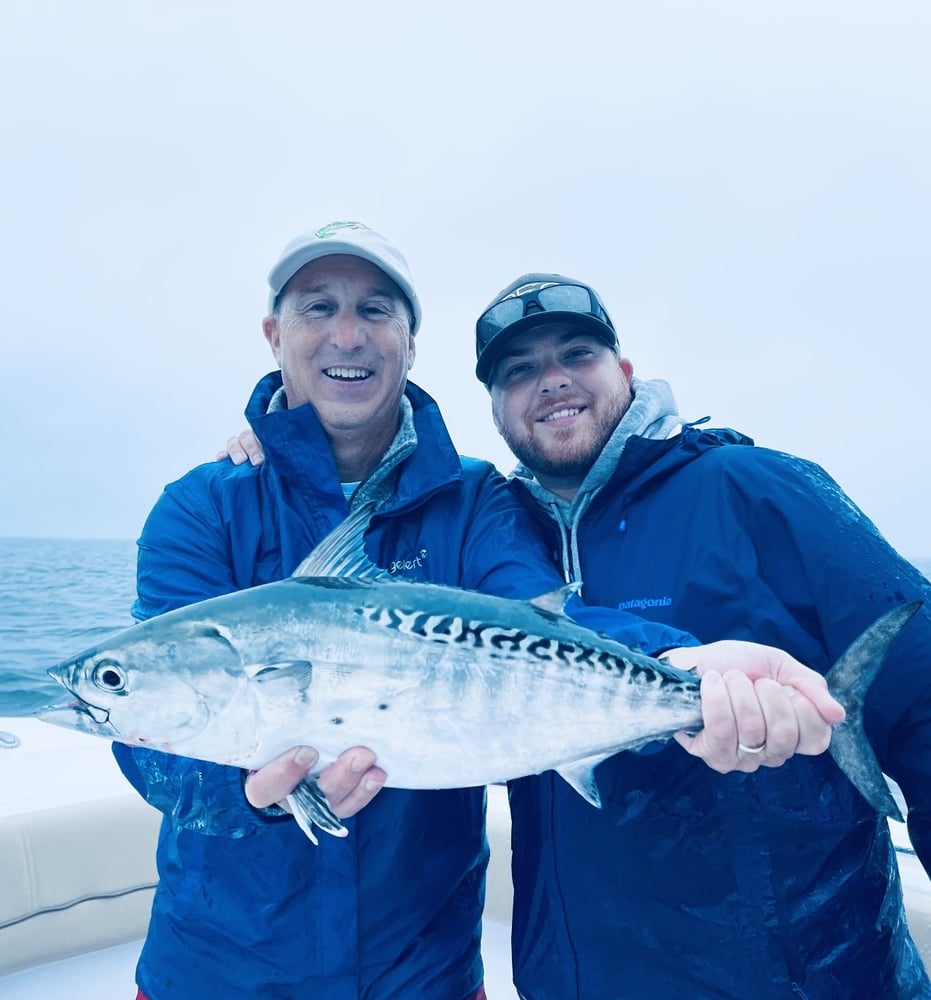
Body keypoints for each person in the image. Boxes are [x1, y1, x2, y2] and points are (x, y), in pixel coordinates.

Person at [202, 230, 840, 1000]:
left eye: (373, 308)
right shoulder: (204, 504)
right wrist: (242, 796)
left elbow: (538, 619)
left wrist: (680, 668)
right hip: (217, 967)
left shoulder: (478, 502)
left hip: (425, 974)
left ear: (409, 344)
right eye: (318, 308)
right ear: (275, 336)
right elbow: (151, 747)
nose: (346, 333)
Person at [470, 273, 931, 999]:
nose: (550, 381)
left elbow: (923, 693)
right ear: (496, 408)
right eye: (519, 370)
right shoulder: (493, 541)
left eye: (576, 354)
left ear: (623, 371)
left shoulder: (754, 488)